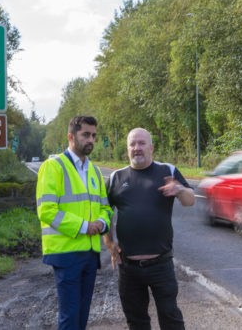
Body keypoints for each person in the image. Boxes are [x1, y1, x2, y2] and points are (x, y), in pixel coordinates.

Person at [104, 127, 195, 330]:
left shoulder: (167, 171)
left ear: (151, 147)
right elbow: (104, 214)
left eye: (141, 143)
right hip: (128, 268)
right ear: (127, 149)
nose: (137, 148)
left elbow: (190, 201)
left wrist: (179, 189)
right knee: (136, 322)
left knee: (171, 319)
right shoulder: (115, 178)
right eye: (132, 144)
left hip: (161, 265)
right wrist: (109, 243)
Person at [36, 115, 113, 330]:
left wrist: (101, 222)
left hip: (90, 253)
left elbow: (106, 208)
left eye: (94, 136)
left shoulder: (95, 171)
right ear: (71, 136)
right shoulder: (53, 166)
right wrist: (84, 226)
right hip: (66, 253)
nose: (91, 140)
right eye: (85, 135)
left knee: (82, 316)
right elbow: (46, 210)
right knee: (70, 318)